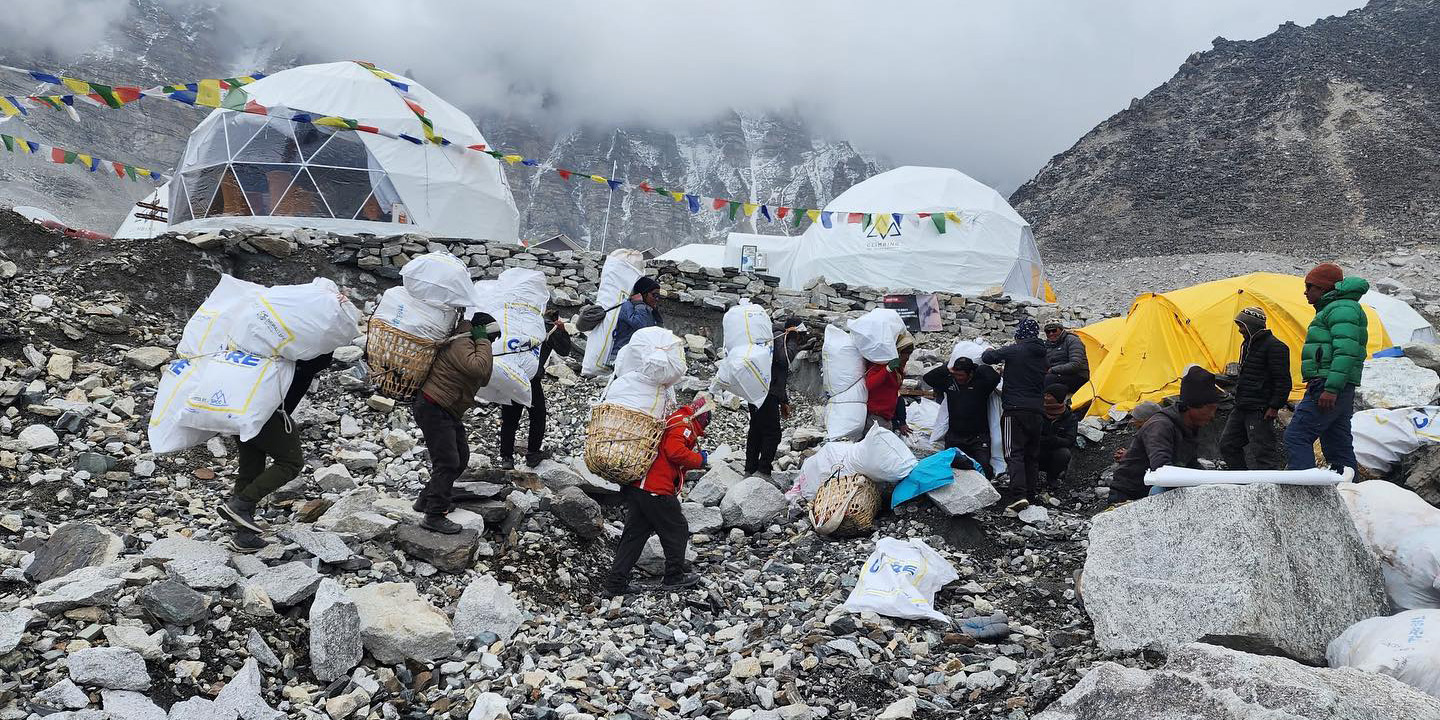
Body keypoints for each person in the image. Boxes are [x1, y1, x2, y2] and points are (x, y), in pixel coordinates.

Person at [219, 352, 334, 553]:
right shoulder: (301, 346)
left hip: (240, 406)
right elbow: (319, 359)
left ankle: (244, 535)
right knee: (290, 463)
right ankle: (241, 504)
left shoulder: (267, 342)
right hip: (267, 412)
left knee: (251, 470)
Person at [604, 395, 712, 597]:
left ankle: (615, 583)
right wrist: (699, 460)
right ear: (701, 415)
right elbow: (674, 451)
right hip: (656, 487)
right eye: (706, 419)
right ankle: (674, 576)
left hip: (639, 487)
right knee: (676, 529)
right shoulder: (684, 424)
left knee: (634, 535)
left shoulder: (673, 419)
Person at [411, 313, 497, 534]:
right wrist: (483, 341)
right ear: (481, 332)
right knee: (448, 462)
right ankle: (434, 515)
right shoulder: (461, 341)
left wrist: (482, 342)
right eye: (492, 338)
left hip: (446, 409)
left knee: (461, 457)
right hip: (433, 405)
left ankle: (426, 500)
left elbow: (484, 376)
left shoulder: (470, 343)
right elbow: (479, 369)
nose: (493, 343)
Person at [1285, 263, 1368, 472]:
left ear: (1323, 288)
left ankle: (1305, 496)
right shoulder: (1339, 308)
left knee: (1297, 436)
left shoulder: (1341, 309)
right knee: (1337, 444)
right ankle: (1349, 495)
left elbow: (1346, 350)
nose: (1305, 292)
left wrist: (1331, 388)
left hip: (1329, 384)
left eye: (1310, 286)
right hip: (1338, 385)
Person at [1107, 366, 1221, 504]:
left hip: (1151, 494)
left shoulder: (1189, 426)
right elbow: (1162, 470)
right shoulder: (1160, 426)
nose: (1212, 416)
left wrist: (1212, 484)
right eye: (1209, 409)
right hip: (1129, 497)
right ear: (1192, 406)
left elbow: (1190, 464)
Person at [981, 318, 1049, 505]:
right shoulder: (1043, 355)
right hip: (1037, 411)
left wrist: (988, 351)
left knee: (1014, 453)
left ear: (1020, 334)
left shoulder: (1016, 349)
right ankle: (1031, 493)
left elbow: (989, 358)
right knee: (1031, 454)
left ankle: (1018, 496)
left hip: (1015, 410)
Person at [499, 310, 573, 469]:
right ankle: (532, 453)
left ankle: (506, 457)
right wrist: (562, 331)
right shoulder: (548, 329)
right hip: (531, 379)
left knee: (510, 419)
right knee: (538, 416)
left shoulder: (516, 325)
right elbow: (565, 351)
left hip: (512, 375)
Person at [1220, 307, 1291, 470]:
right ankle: (1243, 484)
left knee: (1263, 452)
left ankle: (1271, 490)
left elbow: (1283, 380)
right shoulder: (1247, 345)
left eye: (1242, 326)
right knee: (1228, 444)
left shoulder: (1276, 347)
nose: (1240, 330)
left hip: (1260, 409)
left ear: (1252, 325)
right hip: (1241, 406)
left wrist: (1274, 406)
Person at [921, 356, 1001, 475]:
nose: (958, 378)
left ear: (970, 374)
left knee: (983, 467)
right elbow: (928, 378)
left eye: (961, 375)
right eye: (956, 375)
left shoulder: (981, 384)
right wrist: (947, 368)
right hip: (955, 436)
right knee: (951, 467)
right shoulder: (950, 382)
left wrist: (977, 367)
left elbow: (995, 377)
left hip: (978, 437)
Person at [745, 319, 804, 478]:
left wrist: (783, 400)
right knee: (773, 433)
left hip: (756, 390)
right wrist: (791, 338)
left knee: (756, 429)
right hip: (767, 393)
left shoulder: (770, 336)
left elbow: (777, 371)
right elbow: (784, 359)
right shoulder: (779, 337)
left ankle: (750, 469)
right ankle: (763, 471)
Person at [862, 332, 913, 436]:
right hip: (876, 418)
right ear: (898, 352)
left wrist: (902, 421)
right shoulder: (881, 366)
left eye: (909, 353)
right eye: (906, 353)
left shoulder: (897, 370)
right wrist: (887, 369)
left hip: (888, 417)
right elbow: (869, 385)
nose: (907, 357)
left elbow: (896, 395)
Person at [608, 276, 663, 363]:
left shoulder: (648, 311)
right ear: (642, 294)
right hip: (620, 358)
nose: (657, 299)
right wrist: (639, 303)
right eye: (654, 295)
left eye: (658, 296)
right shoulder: (627, 306)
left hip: (637, 359)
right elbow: (640, 326)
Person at [1039, 384, 1079, 490]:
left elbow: (1070, 440)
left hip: (1056, 451)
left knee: (1064, 454)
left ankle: (1052, 477)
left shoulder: (1070, 418)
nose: (1046, 398)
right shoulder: (1037, 413)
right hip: (1037, 449)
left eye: (1050, 396)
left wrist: (1054, 440)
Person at [1043, 320, 1090, 395]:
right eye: (1048, 332)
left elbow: (1075, 365)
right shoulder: (1047, 345)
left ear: (1061, 330)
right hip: (1058, 375)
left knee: (1049, 379)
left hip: (1078, 376)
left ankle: (1046, 405)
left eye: (1054, 330)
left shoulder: (1072, 340)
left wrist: (1053, 370)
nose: (1051, 334)